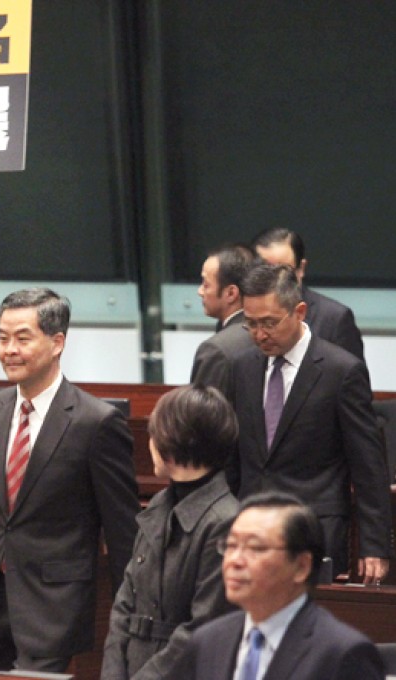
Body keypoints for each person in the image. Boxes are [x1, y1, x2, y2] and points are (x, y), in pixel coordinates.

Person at [0, 288, 139, 672]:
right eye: (2, 337)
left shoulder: (95, 422)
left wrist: (127, 618)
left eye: (22, 338)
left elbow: (122, 532)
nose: (9, 349)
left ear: (57, 342)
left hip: (54, 610)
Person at [228, 263, 390, 582]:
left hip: (315, 532)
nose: (260, 334)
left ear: (299, 311)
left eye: (270, 323)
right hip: (251, 528)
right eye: (251, 324)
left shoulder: (341, 371)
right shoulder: (242, 366)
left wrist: (376, 546)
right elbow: (235, 456)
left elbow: (368, 465)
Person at [102, 385, 240, 680]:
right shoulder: (159, 507)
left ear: (173, 444)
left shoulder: (227, 523)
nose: (149, 442)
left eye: (155, 434)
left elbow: (203, 628)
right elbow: (124, 604)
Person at [176, 492, 384, 680]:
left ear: (302, 566)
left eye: (255, 548)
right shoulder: (207, 641)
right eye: (231, 546)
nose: (235, 561)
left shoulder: (343, 654)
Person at [252, 227, 364, 362]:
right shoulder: (243, 314)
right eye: (266, 271)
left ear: (301, 269)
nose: (276, 279)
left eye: (285, 270)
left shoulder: (334, 319)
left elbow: (352, 376)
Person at [190, 244, 256, 395]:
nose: (200, 292)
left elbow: (201, 415)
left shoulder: (216, 350)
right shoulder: (269, 334)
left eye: (206, 285)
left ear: (231, 293)